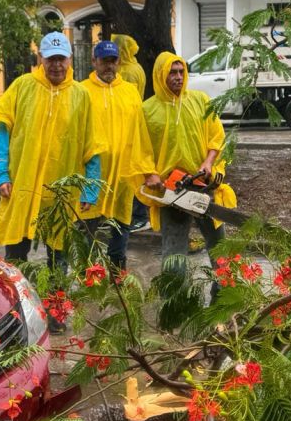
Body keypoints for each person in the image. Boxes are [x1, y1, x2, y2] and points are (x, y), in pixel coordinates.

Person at [0, 32, 105, 264]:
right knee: (16, 255)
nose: (57, 65)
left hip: (61, 189)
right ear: (40, 58)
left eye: (61, 58)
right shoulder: (22, 86)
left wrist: (90, 188)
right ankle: (16, 288)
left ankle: (56, 289)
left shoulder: (81, 95)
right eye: (51, 58)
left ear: (70, 59)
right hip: (23, 183)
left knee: (59, 256)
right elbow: (2, 131)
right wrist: (0, 174)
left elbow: (92, 144)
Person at [142, 52, 236, 281]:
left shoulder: (200, 101)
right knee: (174, 251)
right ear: (160, 75)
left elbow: (216, 136)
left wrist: (208, 162)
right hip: (170, 190)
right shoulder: (147, 110)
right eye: (172, 72)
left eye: (181, 71)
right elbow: (138, 149)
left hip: (202, 184)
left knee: (219, 246)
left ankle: (224, 293)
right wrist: (150, 174)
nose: (178, 77)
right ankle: (175, 297)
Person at [79, 40, 162, 268]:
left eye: (113, 61)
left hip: (123, 173)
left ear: (118, 62)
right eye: (104, 61)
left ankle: (117, 272)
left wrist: (147, 169)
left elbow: (140, 132)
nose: (109, 66)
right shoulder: (82, 91)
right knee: (87, 227)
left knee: (121, 224)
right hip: (92, 173)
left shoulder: (130, 92)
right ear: (94, 61)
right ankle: (87, 275)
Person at [113, 33, 151, 232]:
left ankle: (138, 216)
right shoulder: (136, 67)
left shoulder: (127, 72)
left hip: (127, 126)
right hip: (131, 125)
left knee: (131, 174)